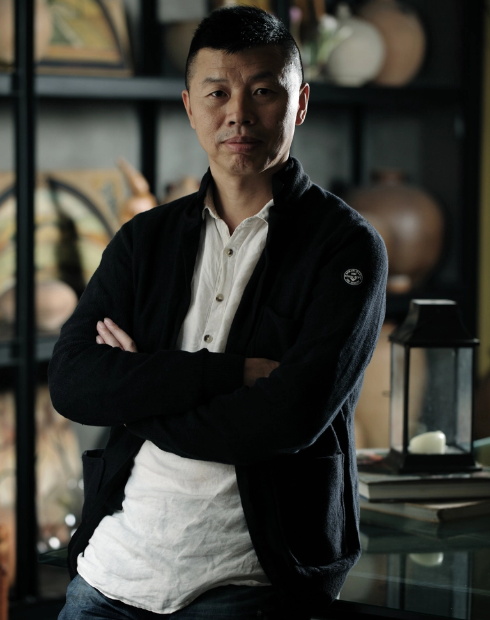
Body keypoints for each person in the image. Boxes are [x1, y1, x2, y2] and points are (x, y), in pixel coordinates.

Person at [49, 6, 387, 620]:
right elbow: (72, 382)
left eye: (263, 91)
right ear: (189, 106)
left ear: (300, 103)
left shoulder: (345, 248)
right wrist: (227, 374)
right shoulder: (145, 240)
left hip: (249, 581)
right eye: (217, 93)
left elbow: (287, 420)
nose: (238, 114)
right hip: (109, 574)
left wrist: (139, 392)